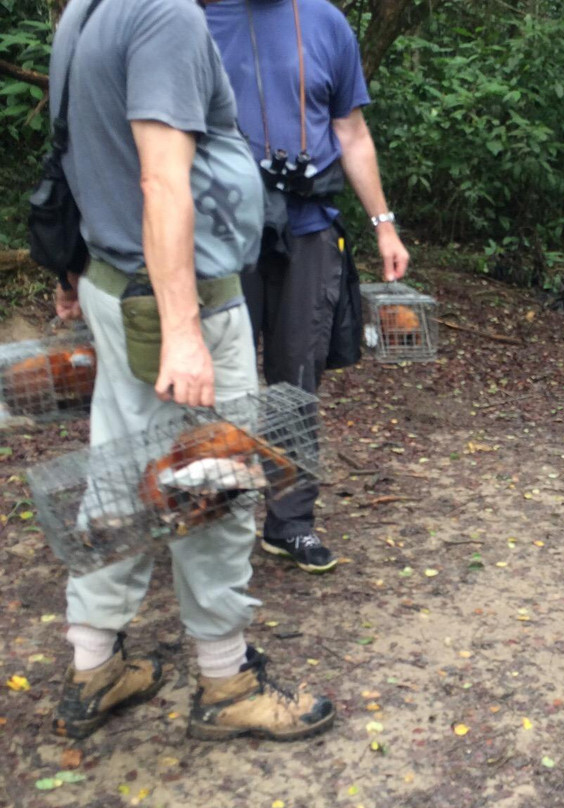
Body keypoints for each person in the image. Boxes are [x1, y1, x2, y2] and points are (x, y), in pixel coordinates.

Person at [49, 0, 334, 742]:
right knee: (214, 486)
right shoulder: (165, 16)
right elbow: (160, 180)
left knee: (120, 485)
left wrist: (72, 264)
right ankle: (224, 680)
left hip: (115, 282)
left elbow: (79, 151)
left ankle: (95, 666)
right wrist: (182, 331)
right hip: (176, 304)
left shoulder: (88, 10)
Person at [206, 0, 410, 574]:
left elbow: (351, 132)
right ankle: (215, 527)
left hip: (311, 227)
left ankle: (290, 525)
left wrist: (384, 226)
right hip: (224, 233)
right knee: (224, 383)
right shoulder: (195, 19)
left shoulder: (325, 22)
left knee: (296, 383)